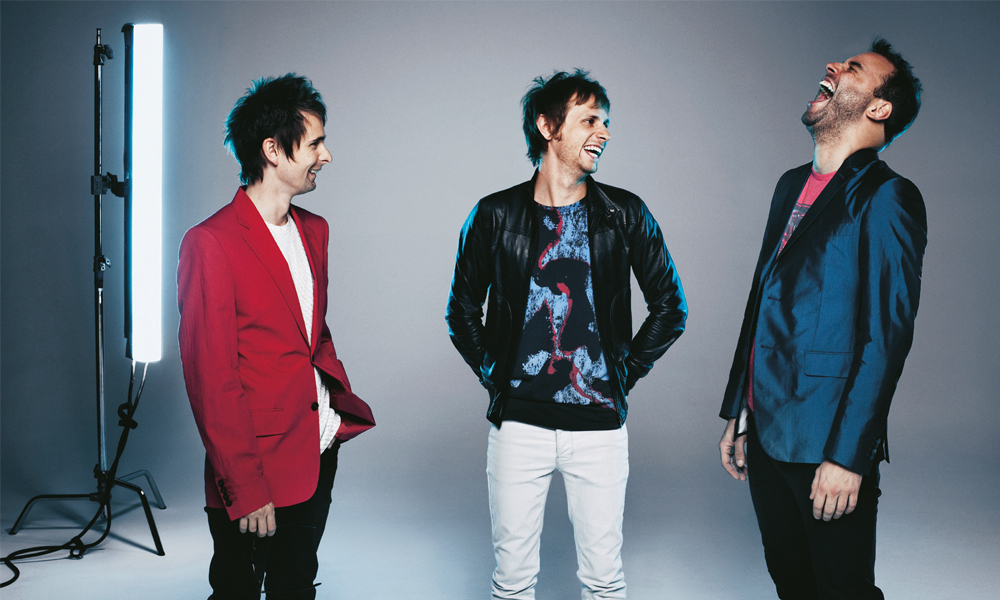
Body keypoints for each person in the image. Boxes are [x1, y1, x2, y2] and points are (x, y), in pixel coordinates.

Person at [447, 69, 687, 600]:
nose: (604, 133)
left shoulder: (625, 214)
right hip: (518, 426)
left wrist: (622, 374)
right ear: (547, 127)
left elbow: (671, 307)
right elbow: (460, 310)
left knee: (604, 581)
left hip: (599, 428)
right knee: (512, 581)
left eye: (606, 122)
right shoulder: (494, 215)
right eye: (589, 121)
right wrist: (495, 375)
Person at [719, 39, 925, 599]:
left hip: (827, 440)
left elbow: (885, 337)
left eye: (853, 68)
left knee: (842, 590)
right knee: (792, 585)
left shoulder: (888, 197)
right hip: (766, 430)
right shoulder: (790, 184)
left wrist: (848, 456)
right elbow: (762, 299)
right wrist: (740, 405)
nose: (833, 66)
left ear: (879, 108)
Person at [178, 74, 375, 599]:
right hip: (255, 466)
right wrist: (243, 487)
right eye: (315, 143)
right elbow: (211, 379)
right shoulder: (210, 243)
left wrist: (331, 410)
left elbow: (310, 331)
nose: (326, 156)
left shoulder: (315, 230)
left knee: (295, 586)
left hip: (317, 446)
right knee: (237, 591)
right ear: (272, 149)